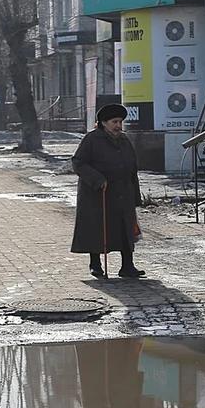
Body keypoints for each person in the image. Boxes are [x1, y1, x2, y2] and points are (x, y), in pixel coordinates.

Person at [70, 103, 144, 278]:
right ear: (103, 123)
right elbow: (78, 162)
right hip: (99, 193)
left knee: (125, 228)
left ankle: (127, 266)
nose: (118, 125)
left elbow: (132, 169)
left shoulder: (124, 140)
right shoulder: (92, 139)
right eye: (114, 122)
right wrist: (97, 179)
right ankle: (95, 264)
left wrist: (135, 194)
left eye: (120, 122)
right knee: (98, 228)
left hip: (123, 191)